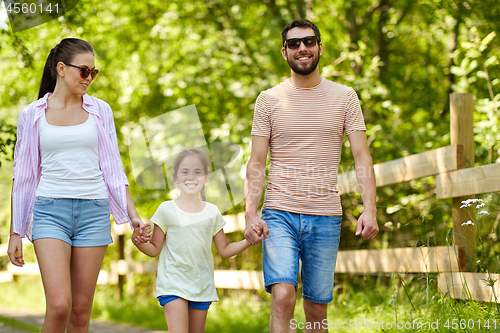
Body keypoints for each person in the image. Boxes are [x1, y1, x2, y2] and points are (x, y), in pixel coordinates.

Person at [244, 19, 379, 332]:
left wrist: (369, 208)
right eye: (294, 43)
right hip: (279, 212)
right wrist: (251, 213)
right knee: (282, 296)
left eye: (308, 41)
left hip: (325, 215)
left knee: (316, 309)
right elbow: (256, 161)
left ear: (320, 47)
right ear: (284, 52)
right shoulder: (268, 99)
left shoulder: (346, 97)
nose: (302, 48)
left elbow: (362, 156)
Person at [7, 38, 148, 333]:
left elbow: (113, 169)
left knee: (81, 312)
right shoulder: (32, 115)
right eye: (84, 71)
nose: (89, 78)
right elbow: (24, 176)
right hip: (49, 212)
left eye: (93, 73)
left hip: (93, 213)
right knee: (60, 306)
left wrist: (133, 216)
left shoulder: (101, 111)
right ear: (61, 69)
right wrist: (15, 231)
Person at [131, 148, 253, 333]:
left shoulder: (212, 212)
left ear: (206, 177)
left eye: (198, 172)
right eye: (185, 172)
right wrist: (137, 241)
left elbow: (225, 249)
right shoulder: (166, 209)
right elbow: (155, 249)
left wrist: (248, 241)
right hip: (173, 284)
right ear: (175, 177)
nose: (191, 177)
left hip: (201, 286)